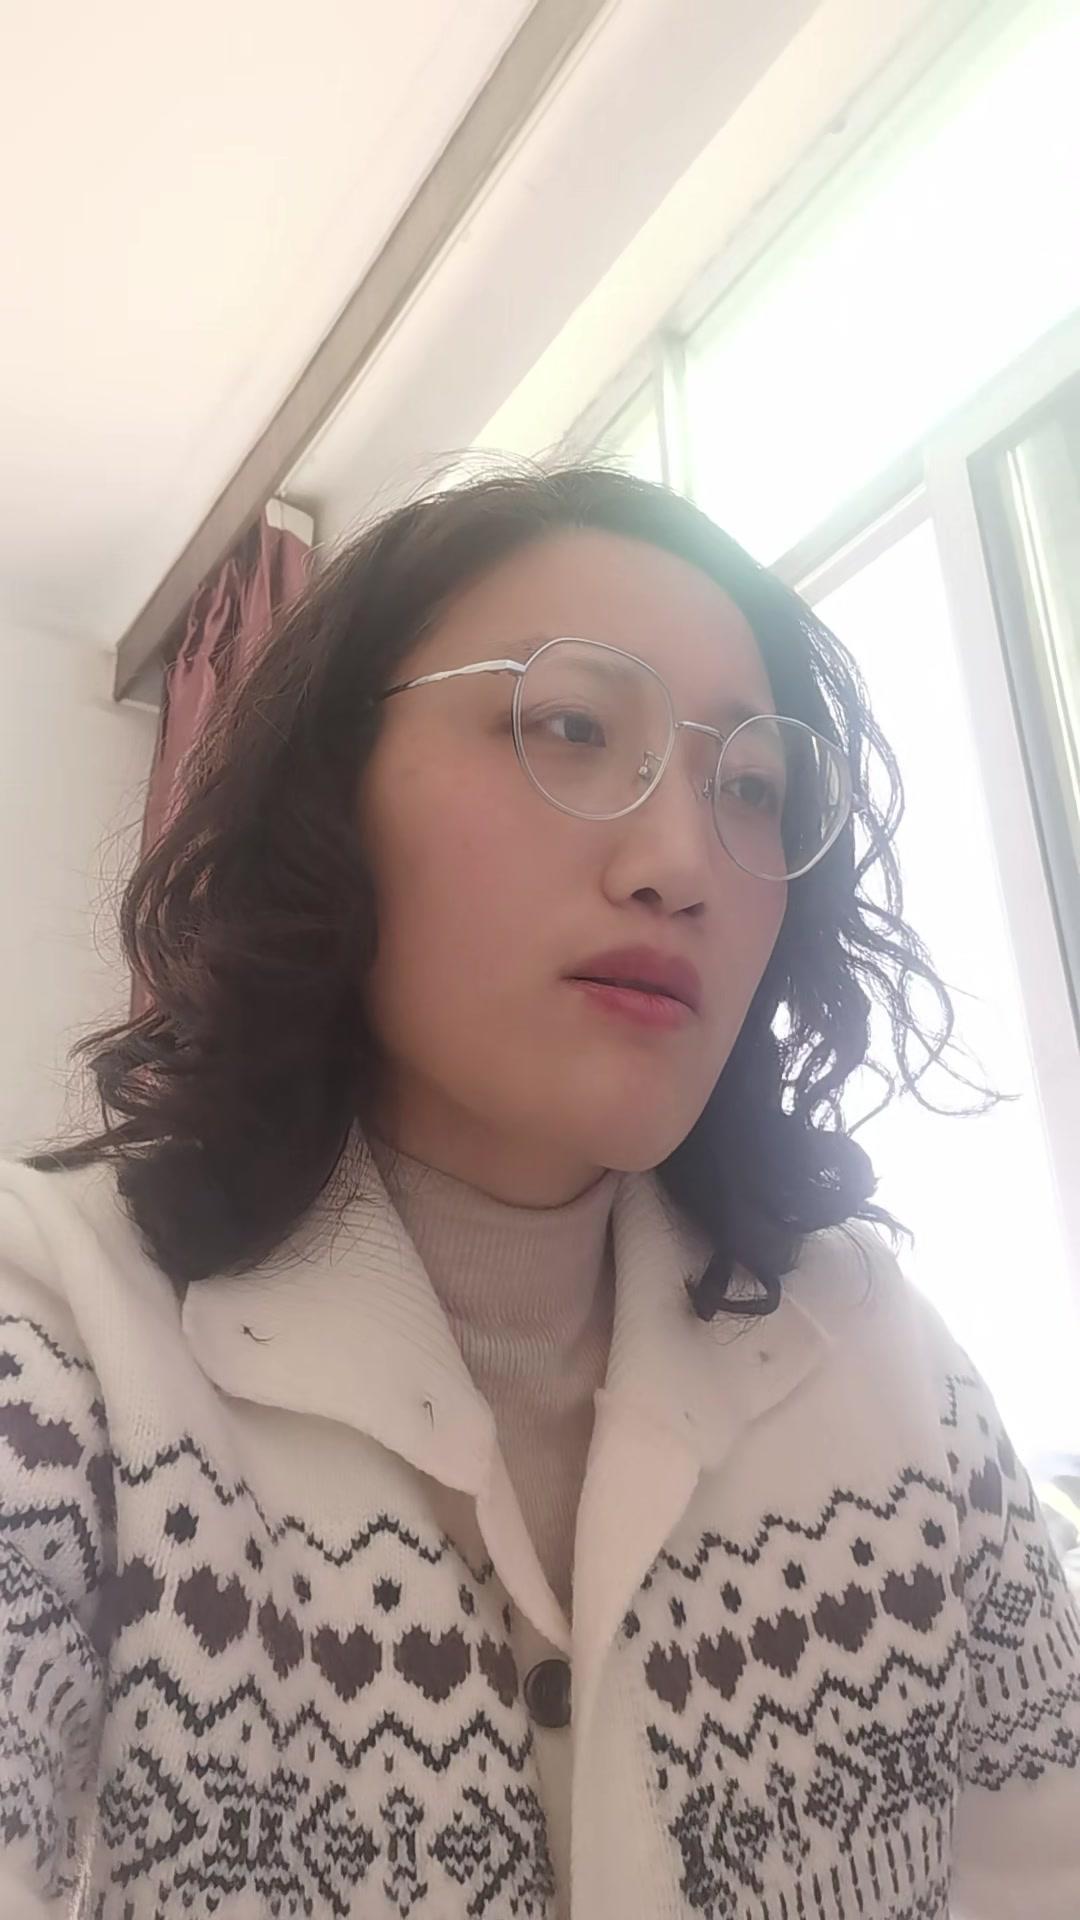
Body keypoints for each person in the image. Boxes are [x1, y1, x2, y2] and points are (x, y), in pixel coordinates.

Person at [0, 465, 1076, 1920]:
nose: (684, 864)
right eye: (570, 727)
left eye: (752, 788)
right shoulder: (60, 1337)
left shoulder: (888, 1359)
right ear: (332, 790)